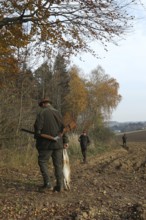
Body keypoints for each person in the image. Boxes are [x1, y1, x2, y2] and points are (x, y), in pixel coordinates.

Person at [34, 98, 69, 192]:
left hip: (45, 144)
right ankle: (60, 186)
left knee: (42, 161)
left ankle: (48, 184)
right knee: (58, 164)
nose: (41, 107)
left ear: (43, 104)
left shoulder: (42, 113)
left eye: (41, 105)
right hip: (58, 144)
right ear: (49, 104)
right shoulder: (58, 113)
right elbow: (64, 128)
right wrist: (65, 141)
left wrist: (37, 136)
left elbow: (38, 128)